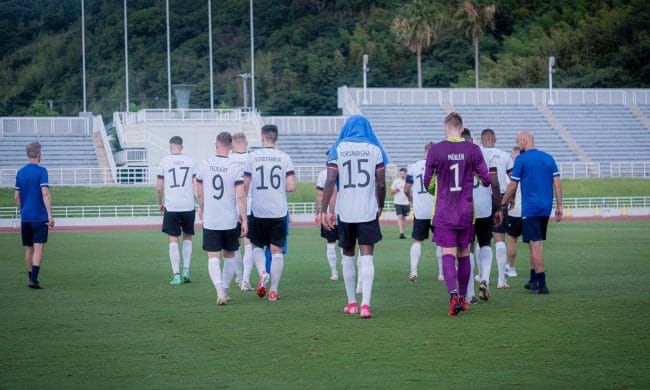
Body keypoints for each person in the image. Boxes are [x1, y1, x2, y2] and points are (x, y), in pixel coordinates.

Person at [318, 115, 387, 319]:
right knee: (367, 256)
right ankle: (366, 305)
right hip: (367, 211)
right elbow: (381, 184)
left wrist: (324, 210)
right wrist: (380, 205)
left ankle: (351, 303)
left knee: (347, 255)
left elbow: (330, 181)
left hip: (345, 212)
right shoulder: (375, 150)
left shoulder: (337, 149)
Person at [423, 112, 492, 316]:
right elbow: (486, 179)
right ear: (462, 128)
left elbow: (427, 182)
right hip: (466, 211)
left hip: (444, 211)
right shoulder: (473, 149)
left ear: (446, 127)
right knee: (464, 254)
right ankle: (462, 297)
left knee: (447, 254)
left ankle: (453, 297)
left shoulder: (436, 150)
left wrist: (440, 190)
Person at [501, 131, 563, 294]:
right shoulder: (548, 158)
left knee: (535, 244)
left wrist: (502, 203)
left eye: (518, 142)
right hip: (545, 207)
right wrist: (559, 206)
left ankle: (541, 283)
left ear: (525, 141)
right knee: (533, 243)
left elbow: (512, 185)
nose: (517, 145)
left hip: (531, 208)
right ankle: (533, 278)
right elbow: (557, 182)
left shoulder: (521, 159)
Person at [195, 132, 248, 305]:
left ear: (216, 145)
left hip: (211, 218)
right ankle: (225, 290)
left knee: (213, 257)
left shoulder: (205, 164)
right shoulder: (235, 166)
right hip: (229, 219)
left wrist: (202, 208)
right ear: (231, 146)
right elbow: (241, 196)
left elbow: (200, 192)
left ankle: (219, 292)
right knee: (230, 255)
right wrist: (244, 219)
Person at [248, 124, 296, 301]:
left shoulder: (252, 157)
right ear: (276, 139)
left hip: (259, 210)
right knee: (276, 251)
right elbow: (292, 186)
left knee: (256, 245)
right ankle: (274, 291)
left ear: (262, 138)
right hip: (278, 211)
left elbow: (245, 185)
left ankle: (262, 271)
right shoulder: (284, 158)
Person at [14, 141, 55, 289]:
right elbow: (45, 192)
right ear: (38, 155)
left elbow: (16, 197)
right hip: (39, 217)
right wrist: (50, 215)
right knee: (38, 248)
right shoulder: (42, 171)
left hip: (26, 217)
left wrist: (23, 210)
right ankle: (34, 280)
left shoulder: (20, 172)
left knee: (28, 248)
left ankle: (29, 278)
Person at [156, 136, 196, 285]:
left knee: (173, 239)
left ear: (170, 146)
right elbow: (196, 185)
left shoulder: (164, 162)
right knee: (187, 236)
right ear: (182, 147)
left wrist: (160, 203)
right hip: (188, 205)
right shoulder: (190, 161)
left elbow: (159, 187)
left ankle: (177, 275)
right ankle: (186, 271)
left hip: (172, 206)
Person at [403, 142, 442, 283]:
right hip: (437, 210)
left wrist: (411, 199)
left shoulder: (414, 167)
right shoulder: (440, 165)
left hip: (420, 211)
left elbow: (406, 189)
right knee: (441, 242)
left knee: (418, 241)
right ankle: (441, 273)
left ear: (424, 152)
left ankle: (413, 270)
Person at [480, 129, 513, 289]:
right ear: (495, 139)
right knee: (500, 239)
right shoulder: (505, 155)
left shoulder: (477, 153)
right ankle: (501, 279)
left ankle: (481, 276)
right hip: (500, 197)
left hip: (481, 197)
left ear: (481, 140)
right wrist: (510, 198)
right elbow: (513, 179)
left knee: (481, 240)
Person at [229, 132, 254, 291]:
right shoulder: (252, 158)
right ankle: (245, 280)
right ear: (246, 142)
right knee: (249, 244)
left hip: (230, 207)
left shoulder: (228, 160)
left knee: (234, 245)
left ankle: (239, 277)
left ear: (232, 144)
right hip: (249, 206)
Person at [315, 151, 339, 281]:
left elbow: (320, 196)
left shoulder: (324, 174)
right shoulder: (346, 172)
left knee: (330, 243)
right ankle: (345, 270)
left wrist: (319, 213)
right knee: (347, 245)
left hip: (329, 214)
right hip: (346, 214)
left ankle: (334, 273)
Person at [505, 146, 523, 278]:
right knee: (534, 242)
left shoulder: (512, 173)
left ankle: (511, 268)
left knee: (512, 239)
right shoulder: (529, 170)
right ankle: (536, 270)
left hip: (515, 211)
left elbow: (508, 189)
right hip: (530, 211)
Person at [391, 168, 410, 239]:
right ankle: (401, 233)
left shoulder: (408, 181)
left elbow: (412, 191)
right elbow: (391, 192)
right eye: (400, 173)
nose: (402, 175)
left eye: (403, 173)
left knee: (404, 218)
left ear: (405, 173)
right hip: (398, 202)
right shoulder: (396, 181)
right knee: (400, 216)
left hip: (406, 203)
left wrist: (410, 201)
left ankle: (403, 233)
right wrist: (396, 190)